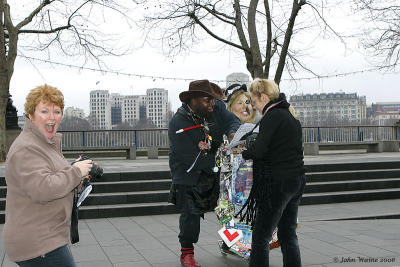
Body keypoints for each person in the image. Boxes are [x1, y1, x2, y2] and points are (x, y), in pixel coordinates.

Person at [2, 85, 93, 267]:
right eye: (44, 111)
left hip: (47, 236)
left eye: (57, 111)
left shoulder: (44, 143)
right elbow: (43, 188)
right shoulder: (27, 147)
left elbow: (54, 178)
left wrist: (78, 176)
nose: (52, 117)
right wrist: (76, 172)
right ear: (30, 115)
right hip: (38, 242)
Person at [168, 80, 240, 267]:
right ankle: (187, 253)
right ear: (193, 100)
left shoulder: (215, 109)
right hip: (189, 172)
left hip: (215, 168)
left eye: (213, 100)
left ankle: (231, 242)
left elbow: (232, 120)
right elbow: (189, 157)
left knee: (228, 208)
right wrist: (219, 160)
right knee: (190, 214)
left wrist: (232, 132)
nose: (212, 104)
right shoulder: (179, 121)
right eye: (207, 100)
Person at [240, 78, 305, 267]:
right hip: (296, 180)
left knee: (260, 236)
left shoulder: (272, 116)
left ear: (264, 97)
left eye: (254, 100)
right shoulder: (289, 115)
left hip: (278, 183)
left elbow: (260, 150)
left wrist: (244, 151)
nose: (253, 105)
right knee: (288, 233)